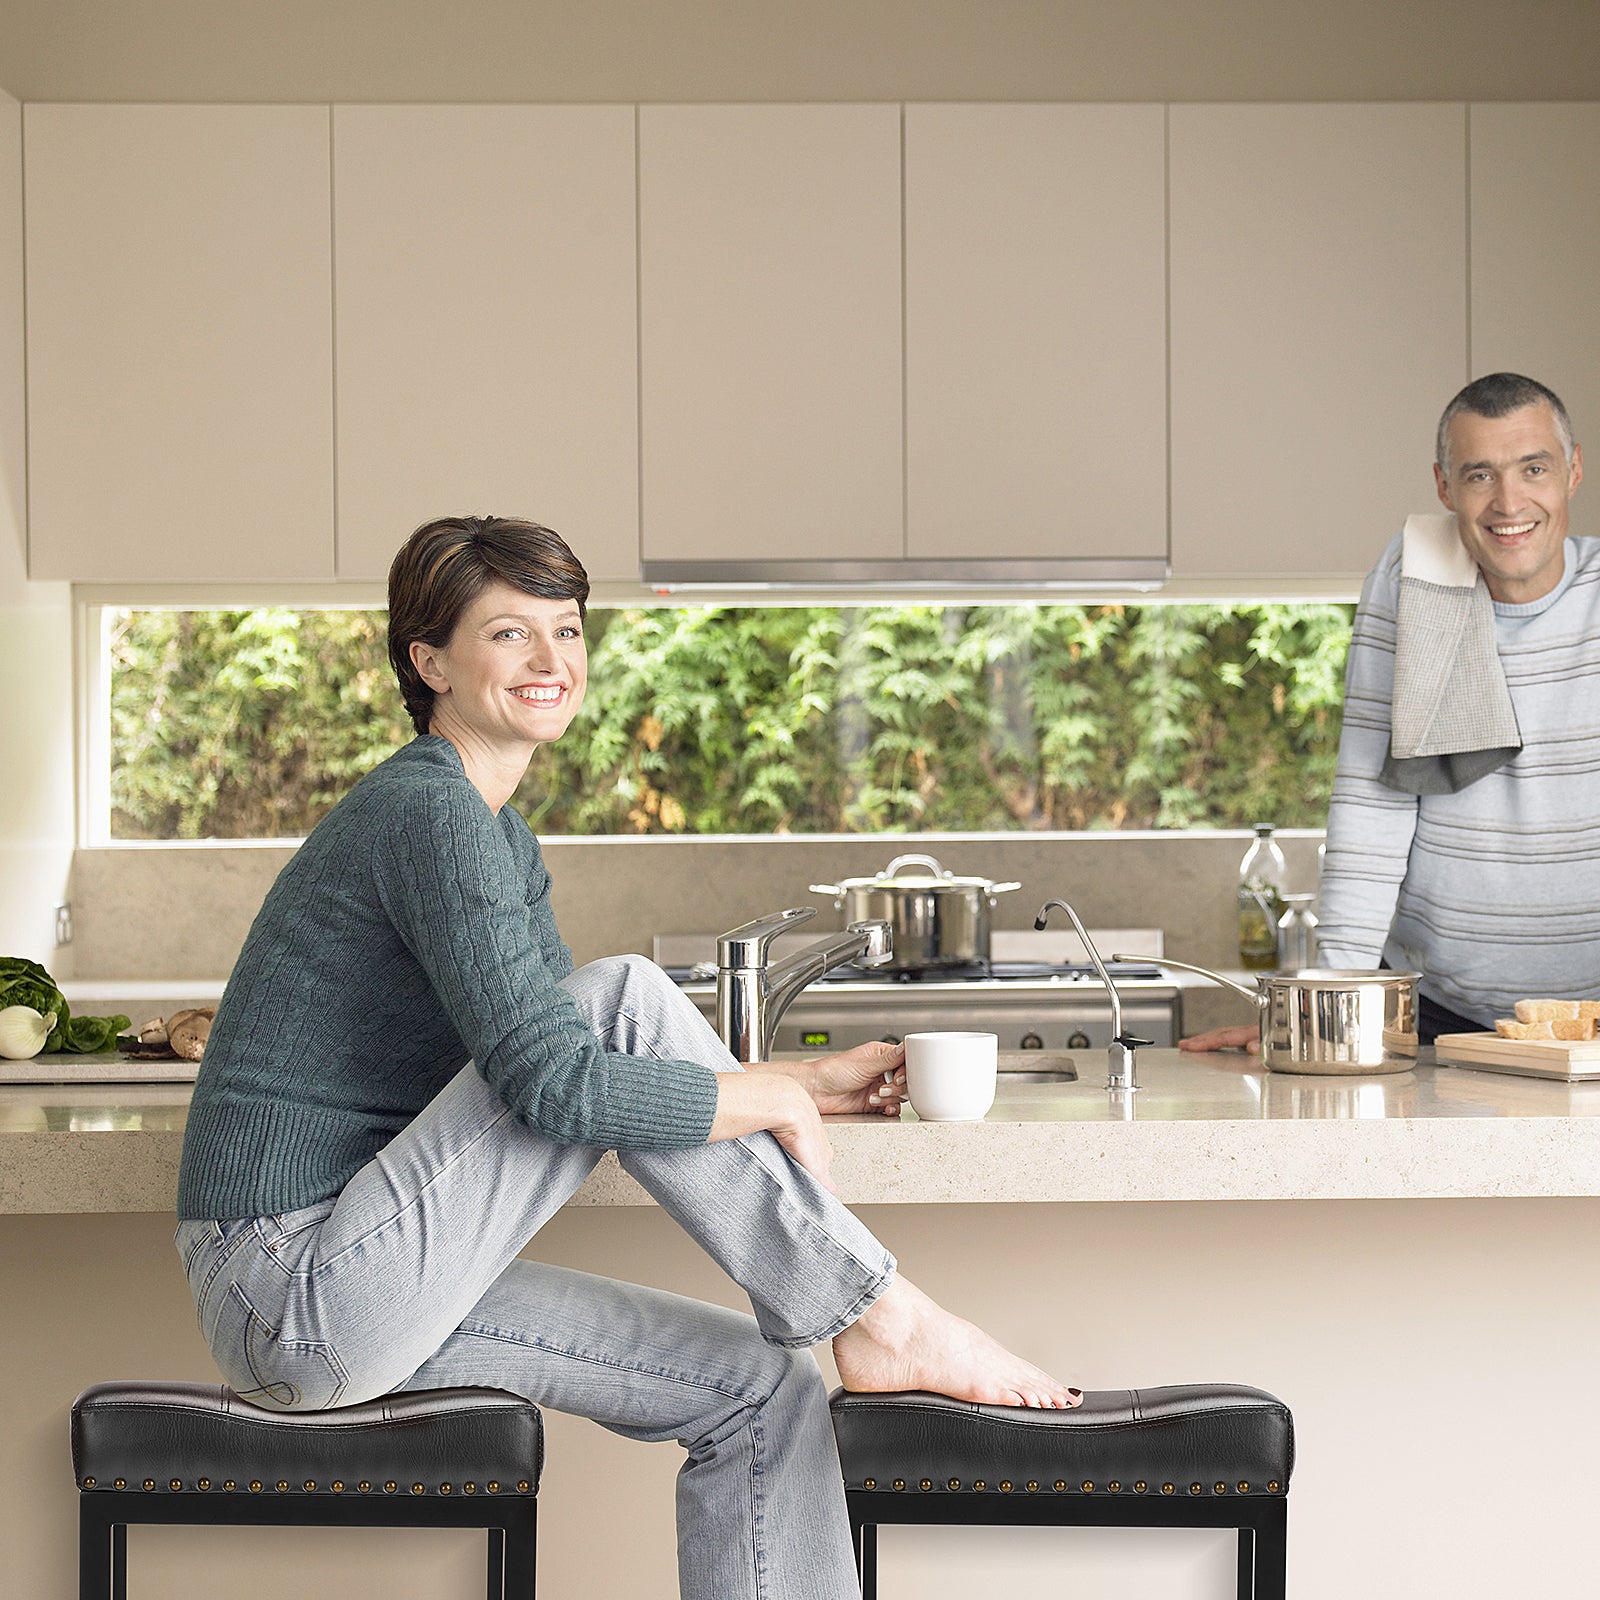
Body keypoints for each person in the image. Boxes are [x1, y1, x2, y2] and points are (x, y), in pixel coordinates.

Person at [174, 514, 1077, 1600]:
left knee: (760, 1388)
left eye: (567, 629)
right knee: (621, 992)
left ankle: (863, 1320)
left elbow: (561, 1054)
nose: (553, 662)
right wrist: (767, 1092)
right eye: (510, 634)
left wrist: (799, 1086)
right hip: (296, 1284)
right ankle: (883, 1314)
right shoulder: (429, 813)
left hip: (369, 1275)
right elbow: (563, 1078)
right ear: (429, 662)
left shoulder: (491, 830)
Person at [1184, 373, 1600, 1053]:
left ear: (1574, 471)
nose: (1508, 502)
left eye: (1534, 469)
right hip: (1437, 1011)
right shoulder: (1417, 583)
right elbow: (1373, 806)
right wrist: (1318, 1013)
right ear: (1443, 487)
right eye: (1479, 476)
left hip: (1593, 1021)